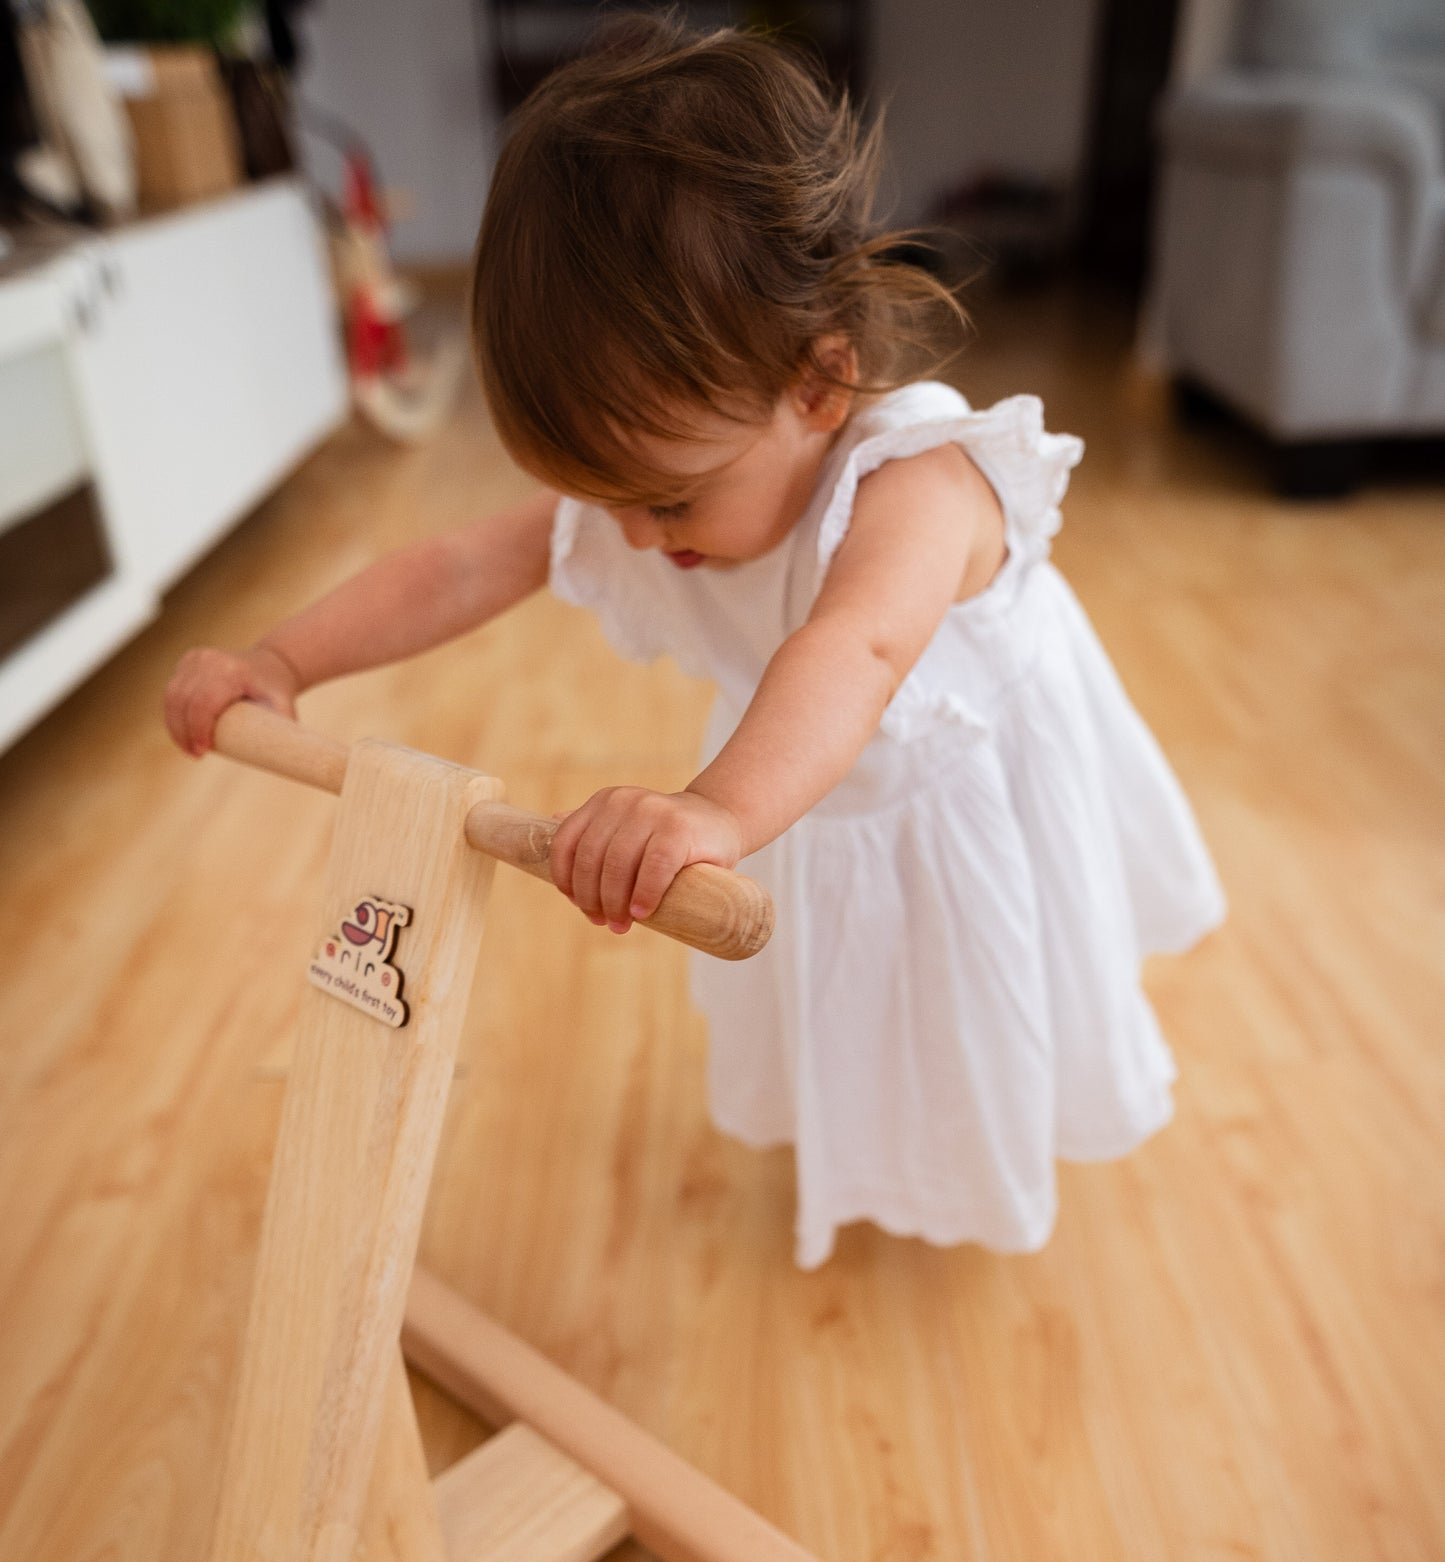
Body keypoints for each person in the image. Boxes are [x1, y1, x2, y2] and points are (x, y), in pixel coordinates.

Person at [166, 17, 1226, 1270]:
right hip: (802, 779)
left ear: (819, 386)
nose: (629, 534)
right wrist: (282, 662)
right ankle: (866, 1130)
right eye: (600, 495)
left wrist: (717, 813)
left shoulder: (921, 482)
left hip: (948, 785)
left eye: (665, 498)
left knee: (972, 991)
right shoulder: (661, 480)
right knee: (846, 991)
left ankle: (969, 1148)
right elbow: (456, 562)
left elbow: (856, 653)